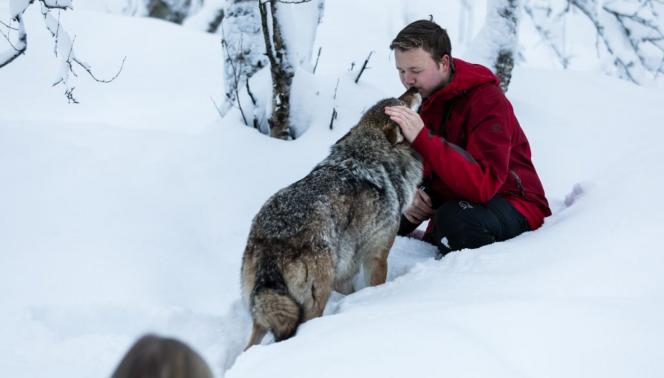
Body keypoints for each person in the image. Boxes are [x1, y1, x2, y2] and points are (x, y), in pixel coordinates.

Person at [384, 19, 551, 258]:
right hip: (454, 201)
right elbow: (424, 167)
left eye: (415, 71)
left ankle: (483, 283)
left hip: (514, 203)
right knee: (383, 218)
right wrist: (414, 194)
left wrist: (423, 137)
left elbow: (483, 186)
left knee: (456, 221)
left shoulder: (487, 101)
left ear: (444, 63)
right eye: (401, 71)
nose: (407, 80)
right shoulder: (424, 98)